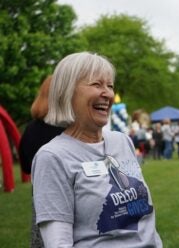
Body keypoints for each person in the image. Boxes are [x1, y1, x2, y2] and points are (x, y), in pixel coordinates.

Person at [32, 52, 162, 248]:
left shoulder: (122, 141)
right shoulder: (52, 157)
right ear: (68, 92)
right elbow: (58, 243)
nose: (108, 93)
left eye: (110, 86)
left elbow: (145, 222)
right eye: (96, 84)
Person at [19, 75, 65, 248]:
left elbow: (25, 166)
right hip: (66, 203)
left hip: (40, 201)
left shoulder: (31, 129)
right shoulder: (69, 130)